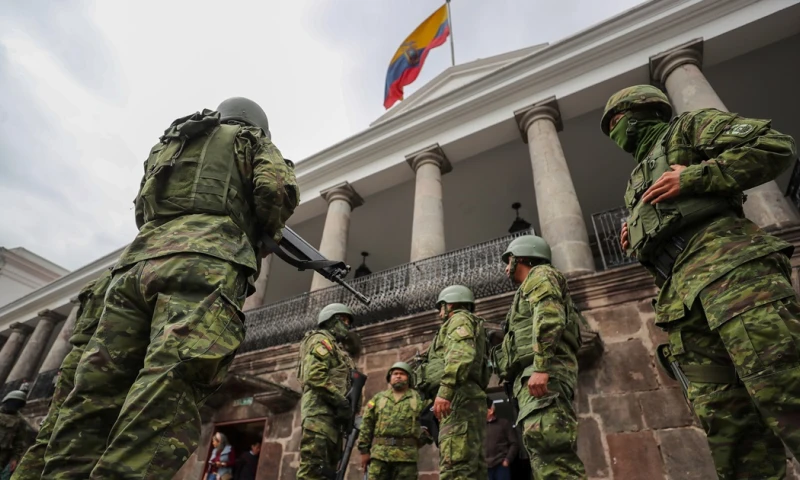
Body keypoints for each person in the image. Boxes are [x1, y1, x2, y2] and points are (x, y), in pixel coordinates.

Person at [41, 97, 299, 480]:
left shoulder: (174, 141)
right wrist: (262, 233)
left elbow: (142, 207)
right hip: (206, 263)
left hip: (137, 266)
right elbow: (275, 190)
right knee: (169, 384)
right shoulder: (250, 140)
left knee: (94, 394)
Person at [601, 84, 799, 480]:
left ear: (641, 111)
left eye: (616, 122)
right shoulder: (636, 180)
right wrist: (638, 235)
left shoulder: (689, 128)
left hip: (733, 275)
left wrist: (698, 176)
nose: (614, 134)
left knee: (786, 392)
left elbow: (774, 146)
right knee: (730, 431)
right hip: (682, 303)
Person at [492, 235, 586, 479]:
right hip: (535, 377)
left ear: (521, 258)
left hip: (544, 376)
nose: (505, 268)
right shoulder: (527, 288)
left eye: (508, 260)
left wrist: (541, 367)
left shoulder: (541, 274)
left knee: (553, 455)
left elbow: (549, 316)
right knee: (544, 455)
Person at [12, 269, 112, 480]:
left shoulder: (99, 281)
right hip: (102, 360)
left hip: (77, 359)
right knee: (80, 442)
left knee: (49, 438)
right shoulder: (135, 273)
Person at [415, 285, 490, 480]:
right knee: (471, 467)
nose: (440, 313)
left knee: (455, 467)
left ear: (452, 304)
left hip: (459, 397)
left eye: (442, 306)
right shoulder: (466, 322)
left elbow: (461, 354)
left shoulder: (459, 319)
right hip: (465, 396)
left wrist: (445, 390)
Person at [297, 303, 359, 480]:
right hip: (319, 416)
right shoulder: (320, 341)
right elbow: (315, 376)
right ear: (331, 320)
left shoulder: (337, 349)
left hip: (333, 419)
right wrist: (341, 402)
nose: (347, 325)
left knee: (328, 474)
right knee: (313, 471)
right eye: (344, 320)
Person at [357, 362, 431, 480]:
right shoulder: (379, 398)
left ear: (409, 378)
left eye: (402, 374)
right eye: (395, 374)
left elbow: (431, 420)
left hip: (406, 458)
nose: (398, 376)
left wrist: (423, 439)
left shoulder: (418, 399)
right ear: (389, 378)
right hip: (380, 456)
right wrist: (364, 451)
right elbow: (367, 424)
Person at [0, 391, 33, 479]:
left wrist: (14, 458)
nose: (13, 405)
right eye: (12, 402)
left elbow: (19, 442)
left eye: (17, 403)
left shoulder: (20, 421)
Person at [484, 399, 518, 480]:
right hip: (484, 468)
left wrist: (507, 460)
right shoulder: (478, 427)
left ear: (491, 410)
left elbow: (514, 443)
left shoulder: (504, 423)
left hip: (501, 466)